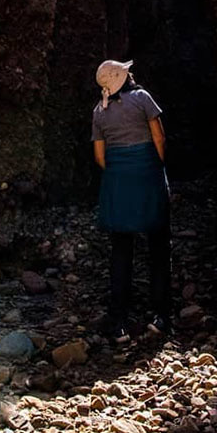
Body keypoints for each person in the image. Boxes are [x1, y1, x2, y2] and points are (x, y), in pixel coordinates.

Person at [92, 58, 171, 340]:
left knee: (121, 251)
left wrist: (120, 175)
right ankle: (161, 317)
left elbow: (100, 158)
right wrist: (156, 167)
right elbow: (158, 138)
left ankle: (119, 322)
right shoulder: (142, 98)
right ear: (122, 78)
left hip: (118, 182)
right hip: (147, 174)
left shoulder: (99, 112)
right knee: (159, 247)